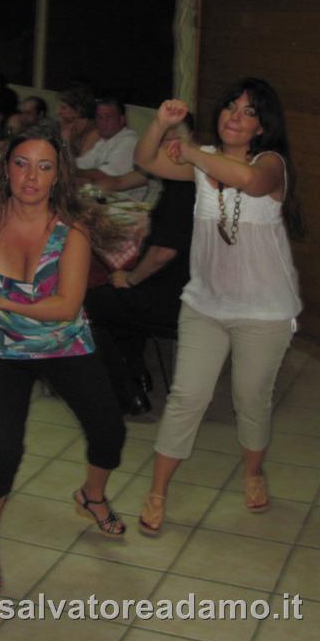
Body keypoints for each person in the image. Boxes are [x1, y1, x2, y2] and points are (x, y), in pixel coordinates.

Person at [0, 119, 127, 591]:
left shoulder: (72, 231)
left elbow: (66, 307)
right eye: (22, 164)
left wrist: (2, 303)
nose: (31, 177)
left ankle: (92, 495)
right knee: (3, 449)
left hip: (64, 344)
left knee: (110, 431)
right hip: (2, 351)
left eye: (44, 167)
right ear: (6, 168)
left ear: (58, 175)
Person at [133, 78, 304, 534]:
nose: (235, 116)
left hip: (264, 311)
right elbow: (146, 160)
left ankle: (253, 473)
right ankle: (158, 492)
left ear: (262, 127)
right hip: (205, 304)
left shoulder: (271, 164)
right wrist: (161, 124)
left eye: (249, 112)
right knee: (187, 396)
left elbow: (246, 181)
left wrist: (189, 150)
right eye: (231, 106)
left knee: (250, 398)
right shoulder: (202, 159)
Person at [85, 113, 197, 416]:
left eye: (175, 138)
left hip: (174, 298)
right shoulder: (188, 182)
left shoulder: (183, 189)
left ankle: (126, 393)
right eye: (163, 140)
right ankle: (137, 374)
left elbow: (163, 253)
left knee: (91, 302)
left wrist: (132, 278)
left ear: (191, 143)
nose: (169, 146)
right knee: (118, 298)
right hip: (185, 290)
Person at [76, 96, 147, 201]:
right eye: (99, 117)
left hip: (123, 205)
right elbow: (82, 163)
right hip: (101, 199)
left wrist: (69, 172)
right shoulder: (103, 140)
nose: (102, 122)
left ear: (121, 120)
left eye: (108, 117)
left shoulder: (129, 141)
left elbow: (104, 176)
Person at [56, 84, 99, 157]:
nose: (58, 112)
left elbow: (79, 164)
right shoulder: (72, 128)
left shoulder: (95, 134)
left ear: (79, 109)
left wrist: (65, 142)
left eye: (63, 107)